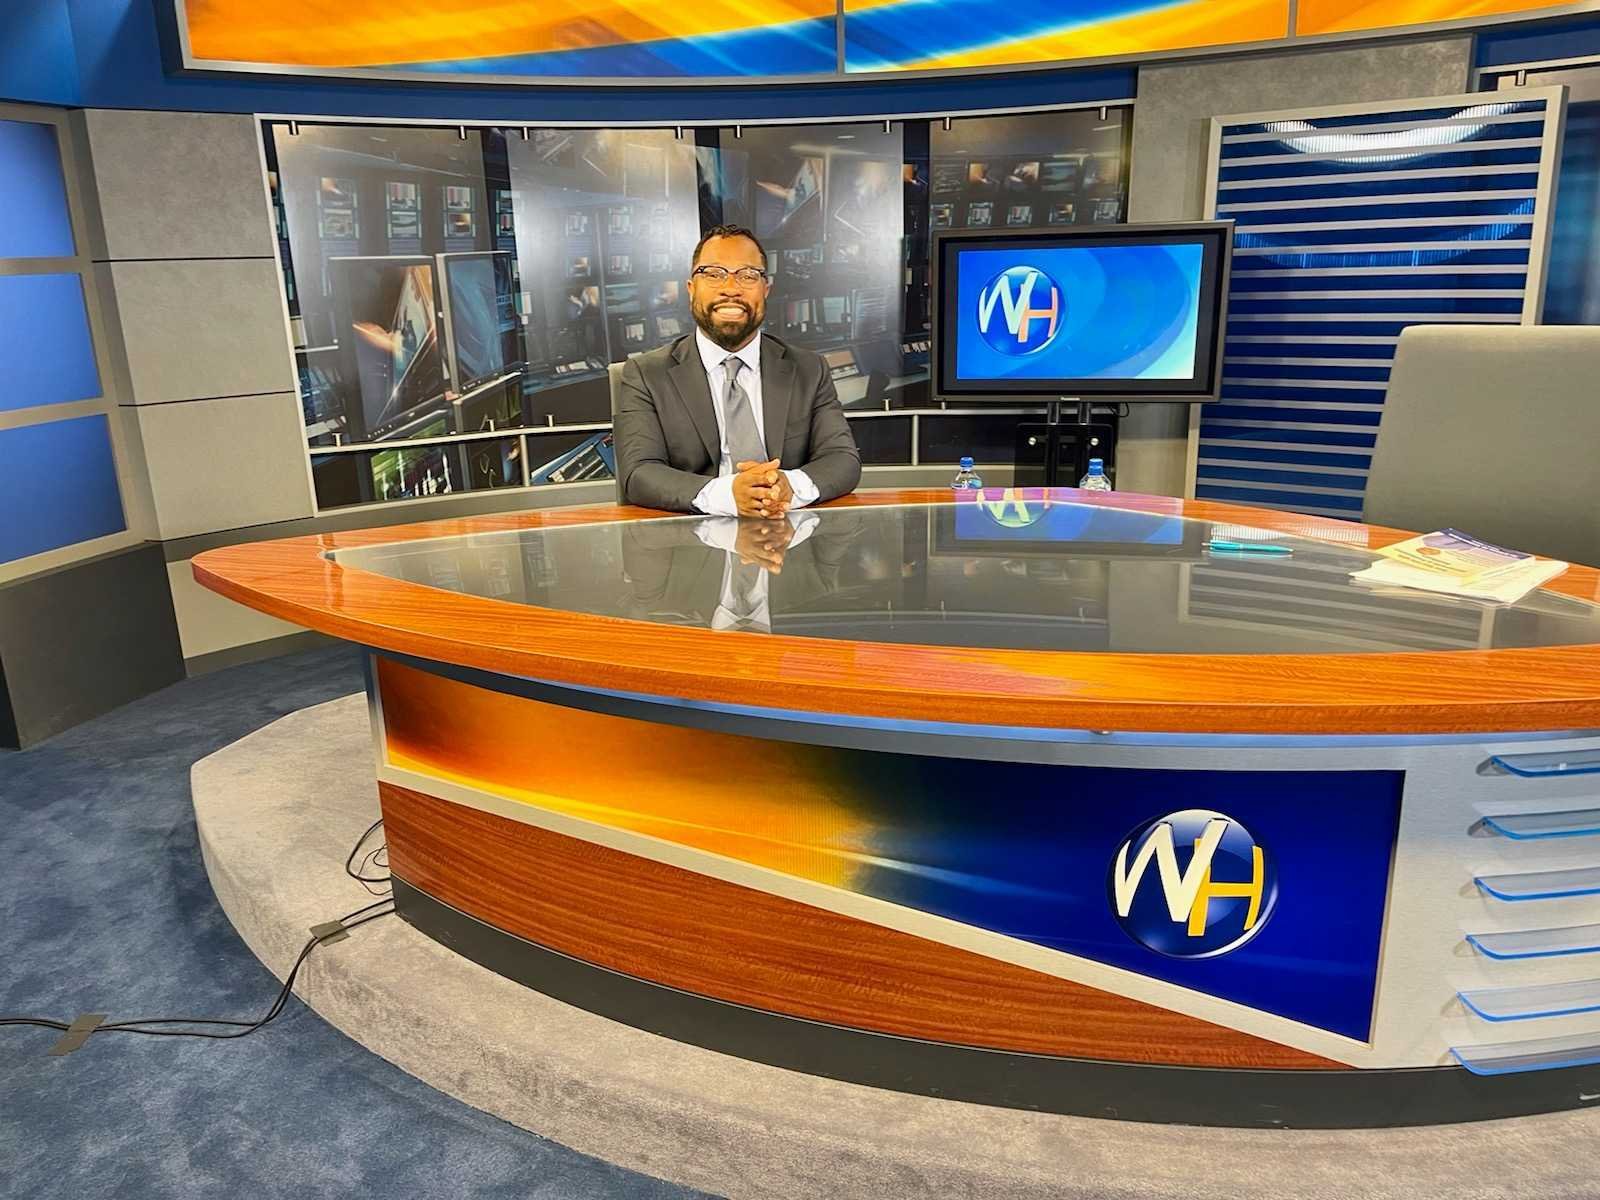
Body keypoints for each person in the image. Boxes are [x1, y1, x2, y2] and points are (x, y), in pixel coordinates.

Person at [614, 224, 861, 516]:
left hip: (789, 531)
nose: (731, 289)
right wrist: (729, 494)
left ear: (766, 289)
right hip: (692, 537)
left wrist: (789, 486)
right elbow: (639, 473)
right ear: (691, 289)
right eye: (713, 274)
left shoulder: (809, 369)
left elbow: (842, 460)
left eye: (748, 275)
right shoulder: (646, 375)